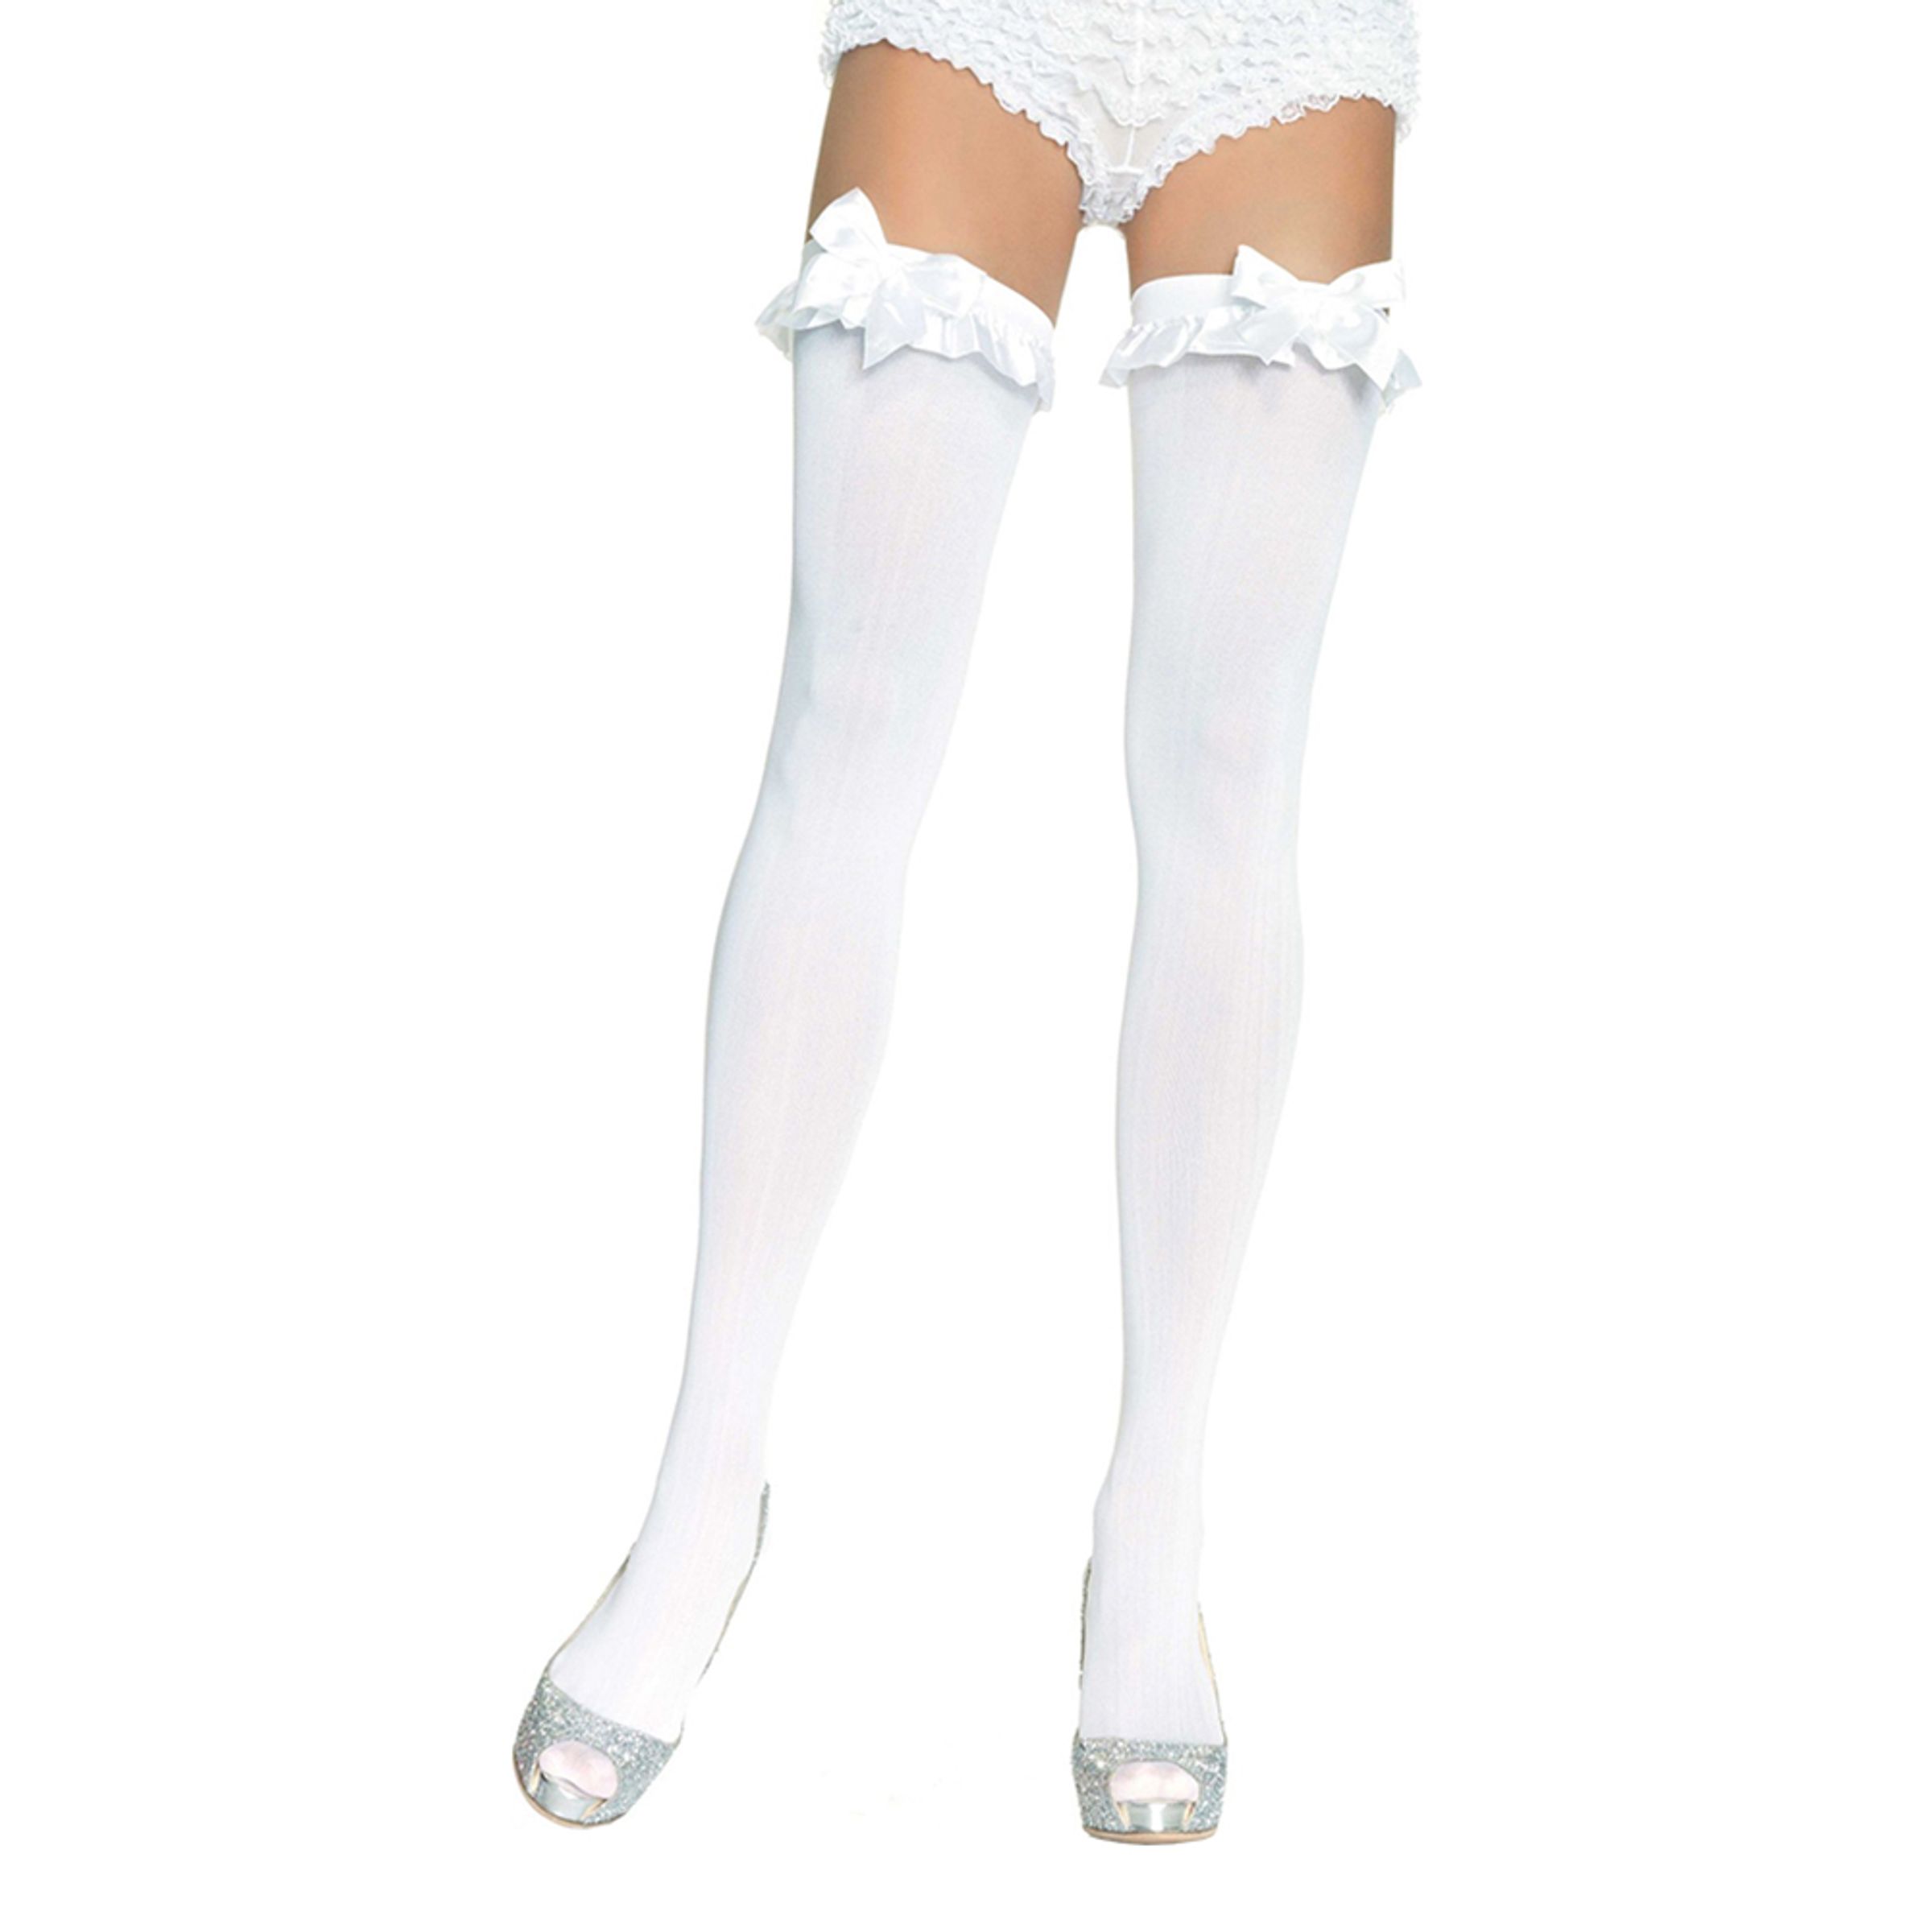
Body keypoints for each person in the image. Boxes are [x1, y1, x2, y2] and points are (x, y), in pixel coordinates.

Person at [513, 0, 1421, 1843]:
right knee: (850, 716)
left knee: (1230, 767)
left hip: (1287, 40)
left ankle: (1153, 1528)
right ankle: (706, 1490)